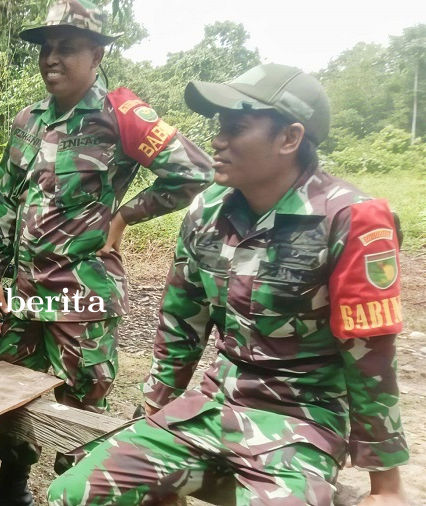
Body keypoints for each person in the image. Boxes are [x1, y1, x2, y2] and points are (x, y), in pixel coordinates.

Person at [47, 64, 410, 505]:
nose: (217, 141)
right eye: (220, 128)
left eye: (236, 128)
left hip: (302, 421)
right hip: (214, 405)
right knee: (71, 494)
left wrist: (385, 485)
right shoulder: (207, 211)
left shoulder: (351, 218)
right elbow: (181, 323)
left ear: (289, 138)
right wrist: (155, 412)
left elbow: (371, 355)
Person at [0, 1, 213, 504]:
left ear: (97, 54)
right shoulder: (27, 121)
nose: (51, 58)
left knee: (82, 406)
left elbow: (193, 170)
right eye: (46, 48)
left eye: (66, 47)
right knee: (5, 393)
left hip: (81, 295)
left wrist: (126, 215)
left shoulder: (120, 115)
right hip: (23, 294)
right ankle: (12, 486)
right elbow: (4, 198)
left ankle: (80, 494)